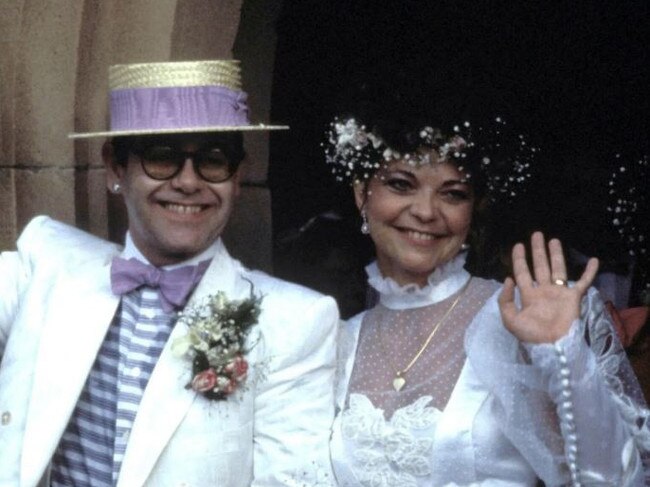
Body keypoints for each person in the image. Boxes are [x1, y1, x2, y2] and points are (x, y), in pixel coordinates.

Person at [0, 60, 338, 486]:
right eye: (163, 157)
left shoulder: (294, 321)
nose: (188, 182)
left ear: (238, 177)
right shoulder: (47, 264)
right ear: (115, 167)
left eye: (213, 161)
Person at [324, 114, 650, 485]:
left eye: (453, 194)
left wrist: (564, 354)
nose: (426, 211)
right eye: (401, 185)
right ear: (361, 194)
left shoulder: (517, 319)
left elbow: (615, 480)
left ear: (472, 210)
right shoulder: (338, 340)